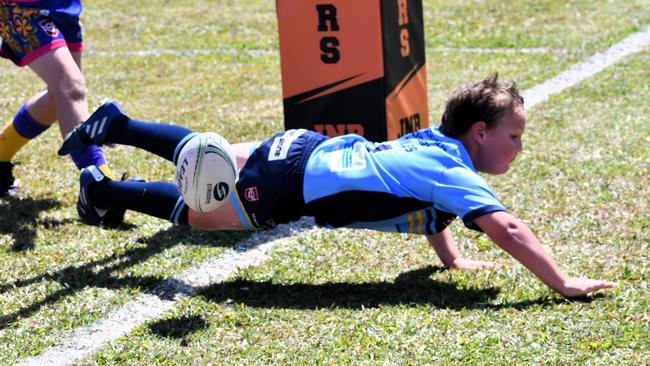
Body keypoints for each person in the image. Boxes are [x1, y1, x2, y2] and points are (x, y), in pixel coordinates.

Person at [58, 75, 616, 298]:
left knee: (214, 163)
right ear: (480, 132)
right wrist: (562, 282)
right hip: (293, 183)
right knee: (200, 211)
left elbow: (428, 207)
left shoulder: (436, 146)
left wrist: (452, 261)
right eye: (514, 136)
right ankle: (105, 191)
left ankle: (119, 127)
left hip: (303, 148)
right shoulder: (453, 171)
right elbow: (509, 229)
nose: (520, 146)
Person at [0, 1, 127, 224]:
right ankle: (100, 189)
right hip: (20, 7)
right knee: (71, 87)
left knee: (57, 101)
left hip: (61, 5)